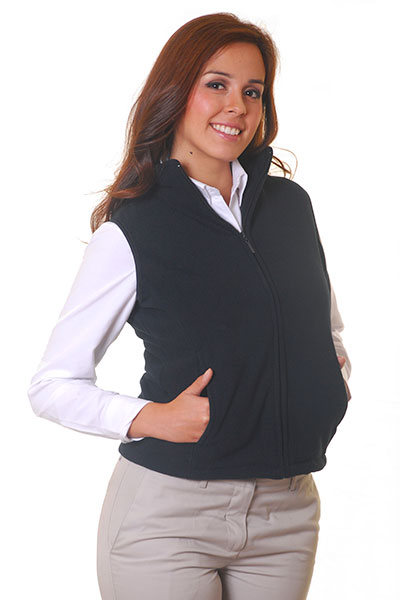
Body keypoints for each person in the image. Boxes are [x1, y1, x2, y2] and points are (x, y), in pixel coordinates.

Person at [27, 12, 352, 600]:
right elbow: (51, 385)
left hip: (286, 512)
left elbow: (324, 328)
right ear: (176, 93)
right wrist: (149, 418)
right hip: (169, 516)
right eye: (216, 84)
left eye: (253, 91)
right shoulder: (134, 228)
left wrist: (331, 384)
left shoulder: (291, 207)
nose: (237, 107)